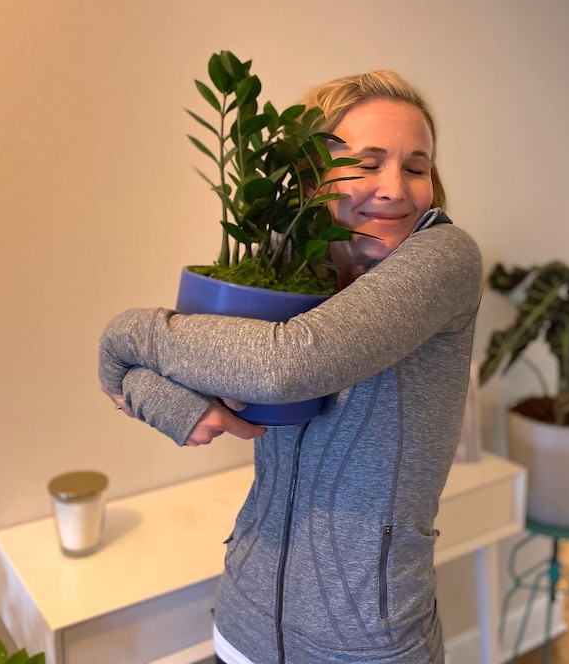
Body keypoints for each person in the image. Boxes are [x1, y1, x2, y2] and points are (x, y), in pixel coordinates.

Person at [99, 68, 482, 664]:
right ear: (310, 180)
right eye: (366, 162)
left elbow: (285, 367)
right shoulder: (290, 272)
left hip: (368, 645)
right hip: (242, 623)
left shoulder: (445, 257)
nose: (395, 189)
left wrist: (125, 332)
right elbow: (176, 367)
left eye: (416, 167)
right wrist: (174, 402)